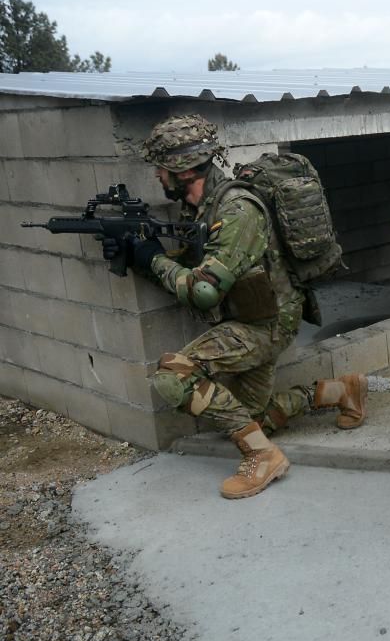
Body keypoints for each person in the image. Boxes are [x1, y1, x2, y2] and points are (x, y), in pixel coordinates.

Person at [107, 114, 368, 499]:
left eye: (161, 168)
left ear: (181, 169)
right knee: (253, 418)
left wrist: (152, 259)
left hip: (266, 326)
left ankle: (263, 458)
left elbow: (204, 291)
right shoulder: (200, 209)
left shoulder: (236, 210)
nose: (158, 177)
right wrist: (138, 255)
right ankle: (340, 391)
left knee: (173, 378)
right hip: (253, 317)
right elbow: (191, 268)